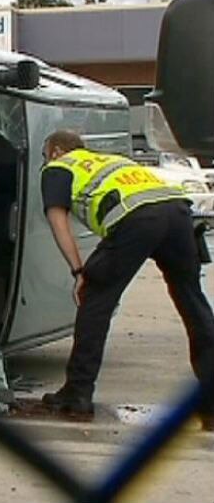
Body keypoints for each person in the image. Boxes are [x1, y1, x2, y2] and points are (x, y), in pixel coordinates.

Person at [39, 129, 214, 425]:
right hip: (179, 213)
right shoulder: (113, 161)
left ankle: (77, 394)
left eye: (44, 156)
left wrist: (79, 271)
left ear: (56, 151)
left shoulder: (59, 166)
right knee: (193, 303)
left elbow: (58, 221)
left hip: (137, 219)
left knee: (95, 299)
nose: (45, 162)